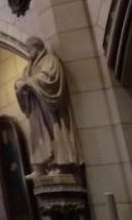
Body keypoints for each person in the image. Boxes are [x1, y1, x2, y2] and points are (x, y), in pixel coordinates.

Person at [14, 36, 82, 176]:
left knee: (54, 131)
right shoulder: (29, 66)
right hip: (35, 107)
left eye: (29, 49)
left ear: (37, 46)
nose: (28, 53)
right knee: (37, 136)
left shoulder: (50, 59)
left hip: (48, 105)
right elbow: (25, 79)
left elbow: (50, 78)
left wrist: (29, 83)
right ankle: (41, 166)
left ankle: (60, 165)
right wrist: (19, 85)